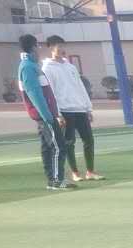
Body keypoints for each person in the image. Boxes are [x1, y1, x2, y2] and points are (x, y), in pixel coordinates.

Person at [43, 36, 102, 183]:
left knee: (89, 140)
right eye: (58, 46)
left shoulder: (70, 67)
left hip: (79, 109)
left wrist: (88, 108)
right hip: (65, 110)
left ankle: (90, 171)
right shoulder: (47, 69)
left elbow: (80, 87)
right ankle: (75, 172)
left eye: (63, 46)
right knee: (69, 142)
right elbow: (51, 93)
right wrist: (57, 113)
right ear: (51, 48)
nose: (62, 49)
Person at [17, 34, 66, 192]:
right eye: (37, 46)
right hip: (44, 115)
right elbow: (35, 94)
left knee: (48, 147)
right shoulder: (27, 67)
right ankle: (57, 180)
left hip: (45, 114)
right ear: (33, 47)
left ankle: (52, 180)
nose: (39, 49)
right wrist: (48, 116)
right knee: (58, 147)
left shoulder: (31, 65)